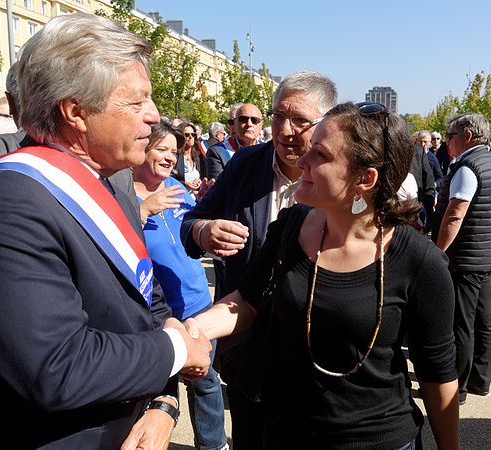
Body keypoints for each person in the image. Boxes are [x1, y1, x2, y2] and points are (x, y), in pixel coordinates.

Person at [0, 13, 211, 449]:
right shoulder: (6, 202)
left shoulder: (108, 184)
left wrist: (163, 405)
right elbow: (56, 367)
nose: (154, 116)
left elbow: (148, 303)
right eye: (136, 102)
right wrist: (178, 352)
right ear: (76, 112)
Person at [186, 102, 459, 450]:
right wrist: (193, 331)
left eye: (319, 154)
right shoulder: (290, 226)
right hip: (284, 434)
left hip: (379, 440)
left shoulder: (420, 262)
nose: (302, 162)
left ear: (365, 178)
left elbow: (437, 375)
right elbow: (246, 301)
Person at [181, 70, 337, 450]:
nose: (285, 130)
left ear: (326, 124)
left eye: (299, 120)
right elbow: (189, 222)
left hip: (316, 352)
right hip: (246, 345)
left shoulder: (338, 176)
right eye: (278, 116)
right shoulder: (245, 164)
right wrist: (203, 230)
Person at [133, 120, 228, 450]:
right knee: (159, 394)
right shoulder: (120, 197)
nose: (170, 157)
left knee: (206, 383)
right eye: (161, 149)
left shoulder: (178, 191)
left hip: (199, 308)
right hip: (157, 317)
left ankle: (214, 446)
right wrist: (142, 210)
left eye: (173, 151)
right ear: (142, 149)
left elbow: (194, 240)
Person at [432, 113, 491, 406]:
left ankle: (460, 387)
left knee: (462, 324)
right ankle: (481, 380)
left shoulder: (468, 167)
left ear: (467, 137)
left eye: (450, 136)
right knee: (484, 320)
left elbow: (455, 215)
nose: (447, 142)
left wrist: (438, 252)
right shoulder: (488, 161)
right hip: (485, 256)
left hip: (466, 258)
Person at [206, 103, 263, 180]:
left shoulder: (268, 149)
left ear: (261, 125)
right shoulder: (218, 152)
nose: (249, 124)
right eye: (243, 119)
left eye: (254, 120)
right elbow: (217, 188)